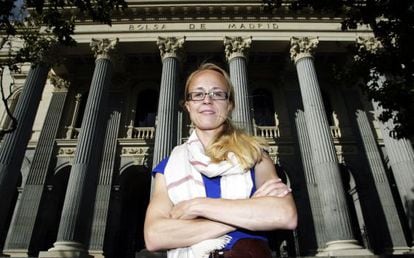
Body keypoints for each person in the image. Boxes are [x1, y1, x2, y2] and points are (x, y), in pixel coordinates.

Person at [144, 63, 297, 258]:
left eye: (217, 94)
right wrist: (248, 212)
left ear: (230, 104)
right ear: (188, 105)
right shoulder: (168, 168)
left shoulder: (255, 155)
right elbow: (154, 236)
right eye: (198, 94)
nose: (207, 100)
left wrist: (196, 206)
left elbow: (284, 215)